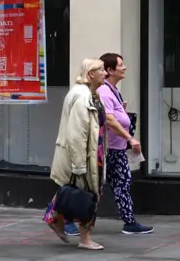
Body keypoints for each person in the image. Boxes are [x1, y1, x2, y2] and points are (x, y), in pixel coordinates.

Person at [64, 53, 153, 236]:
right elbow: (109, 119)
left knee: (121, 183)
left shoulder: (112, 90)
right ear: (110, 70)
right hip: (105, 150)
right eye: (121, 65)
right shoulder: (103, 91)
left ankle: (129, 222)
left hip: (115, 149)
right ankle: (67, 219)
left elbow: (112, 115)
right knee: (91, 186)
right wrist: (130, 138)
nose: (125, 68)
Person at [43, 58, 108, 250]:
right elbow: (77, 134)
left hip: (92, 154)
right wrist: (79, 165)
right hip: (86, 157)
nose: (105, 73)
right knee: (89, 196)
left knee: (77, 193)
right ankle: (85, 239)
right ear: (90, 74)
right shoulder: (82, 97)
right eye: (101, 70)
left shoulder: (88, 93)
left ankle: (55, 218)